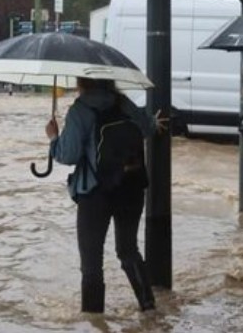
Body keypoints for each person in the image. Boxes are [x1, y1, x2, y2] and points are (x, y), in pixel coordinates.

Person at [45, 77, 166, 314]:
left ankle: (94, 321)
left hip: (95, 193)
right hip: (131, 188)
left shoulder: (80, 110)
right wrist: (154, 121)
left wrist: (53, 137)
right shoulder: (124, 102)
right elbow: (147, 127)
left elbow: (67, 155)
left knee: (91, 264)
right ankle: (149, 307)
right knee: (128, 250)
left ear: (82, 81)